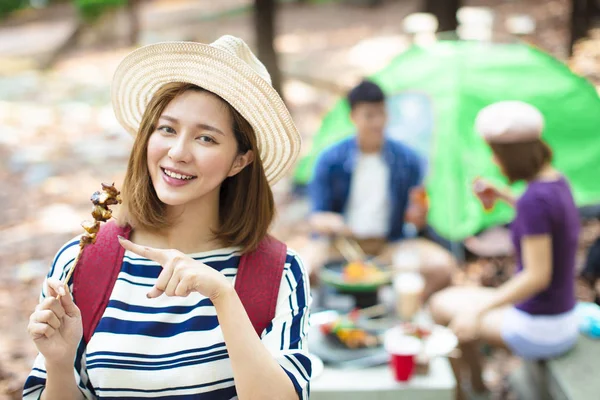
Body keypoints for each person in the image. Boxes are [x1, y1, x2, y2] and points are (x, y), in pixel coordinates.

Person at [23, 36, 311, 400]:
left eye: (206, 138)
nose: (178, 152)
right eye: (167, 129)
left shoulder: (279, 271)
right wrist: (60, 366)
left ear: (241, 160)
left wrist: (222, 295)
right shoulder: (80, 261)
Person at [430, 101, 580, 400]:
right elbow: (545, 218)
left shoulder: (533, 201)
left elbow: (537, 276)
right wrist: (504, 196)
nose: (495, 162)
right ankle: (478, 384)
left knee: (441, 306)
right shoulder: (555, 182)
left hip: (542, 325)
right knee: (458, 306)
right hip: (562, 312)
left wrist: (478, 310)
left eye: (496, 154)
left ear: (514, 155)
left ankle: (471, 390)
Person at [306, 79, 454, 300]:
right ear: (353, 117)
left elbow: (416, 218)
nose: (377, 123)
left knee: (442, 266)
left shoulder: (408, 159)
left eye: (382, 114)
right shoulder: (331, 159)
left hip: (389, 245)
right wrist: (334, 223)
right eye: (369, 115)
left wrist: (419, 217)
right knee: (301, 270)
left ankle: (402, 312)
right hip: (343, 246)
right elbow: (317, 216)